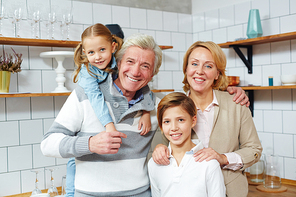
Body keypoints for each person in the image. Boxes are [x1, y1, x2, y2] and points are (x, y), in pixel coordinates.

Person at [41, 34, 249, 196]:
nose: (136, 71)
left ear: (152, 73)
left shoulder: (158, 108)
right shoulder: (84, 95)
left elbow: (177, 135)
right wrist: (89, 144)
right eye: (130, 61)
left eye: (145, 66)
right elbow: (48, 144)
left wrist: (231, 92)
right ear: (118, 63)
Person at [152, 41, 262, 197]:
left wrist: (223, 158)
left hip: (231, 191)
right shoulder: (173, 107)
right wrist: (159, 149)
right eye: (194, 64)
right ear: (186, 69)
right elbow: (156, 149)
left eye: (208, 66)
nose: (199, 71)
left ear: (217, 73)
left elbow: (254, 149)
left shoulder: (237, 104)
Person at [73, 23, 151, 135]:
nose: (97, 57)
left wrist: (146, 112)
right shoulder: (87, 73)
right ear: (85, 53)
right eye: (91, 52)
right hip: (93, 111)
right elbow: (96, 98)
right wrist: (109, 125)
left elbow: (139, 82)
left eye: (102, 49)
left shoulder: (116, 62)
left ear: (113, 47)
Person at [148, 92, 225, 197]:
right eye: (167, 121)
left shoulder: (209, 164)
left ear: (193, 121)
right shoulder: (154, 163)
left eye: (180, 120)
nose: (174, 127)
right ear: (161, 125)